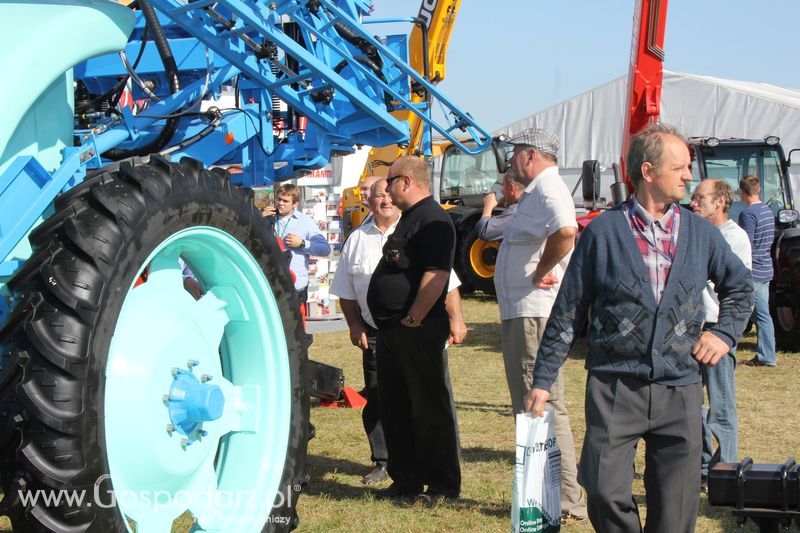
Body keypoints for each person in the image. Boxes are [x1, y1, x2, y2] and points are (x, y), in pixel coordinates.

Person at [525, 124, 753, 532]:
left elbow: (739, 288)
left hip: (680, 388)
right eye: (680, 167)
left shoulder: (701, 233)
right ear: (648, 171)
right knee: (605, 492)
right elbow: (569, 310)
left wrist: (724, 333)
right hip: (615, 386)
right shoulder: (602, 233)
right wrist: (543, 378)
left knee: (677, 504)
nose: (688, 176)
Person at [330, 178, 466, 487]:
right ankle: (388, 465)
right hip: (378, 335)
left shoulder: (417, 227)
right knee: (385, 403)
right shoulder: (357, 239)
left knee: (427, 402)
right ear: (370, 201)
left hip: (414, 331)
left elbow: (445, 281)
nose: (386, 200)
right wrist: (355, 324)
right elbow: (345, 290)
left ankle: (440, 471)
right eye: (379, 196)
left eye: (389, 194)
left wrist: (453, 318)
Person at [493, 128, 586, 522]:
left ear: (531, 155)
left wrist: (543, 270)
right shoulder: (538, 192)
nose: (510, 162)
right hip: (523, 311)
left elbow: (567, 232)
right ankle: (558, 496)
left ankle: (565, 500)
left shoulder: (549, 189)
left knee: (541, 404)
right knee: (538, 405)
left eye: (515, 154)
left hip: (533, 311)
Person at [366, 156, 461, 503]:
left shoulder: (433, 219)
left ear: (405, 181)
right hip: (393, 332)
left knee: (428, 408)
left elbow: (437, 276)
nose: (387, 191)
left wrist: (413, 318)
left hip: (416, 330)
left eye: (390, 182)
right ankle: (405, 481)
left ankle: (442, 487)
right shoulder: (410, 219)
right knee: (395, 408)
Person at [690, 179, 752, 481]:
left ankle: (726, 469)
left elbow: (738, 288)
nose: (693, 202)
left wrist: (724, 335)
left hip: (717, 330)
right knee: (693, 404)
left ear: (721, 201)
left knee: (721, 404)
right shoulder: (696, 234)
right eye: (693, 197)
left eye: (700, 197)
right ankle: (702, 466)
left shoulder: (735, 237)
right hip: (691, 328)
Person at [264, 184, 331, 302]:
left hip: (295, 286)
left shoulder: (306, 222)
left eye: (285, 201)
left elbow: (325, 249)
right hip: (270, 284)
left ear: (295, 204)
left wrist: (302, 243)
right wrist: (259, 218)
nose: (280, 203)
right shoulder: (268, 218)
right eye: (278, 199)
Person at [738, 175, 777, 367]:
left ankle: (766, 356)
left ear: (742, 192)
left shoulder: (748, 214)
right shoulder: (767, 211)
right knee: (761, 314)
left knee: (747, 312)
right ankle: (766, 354)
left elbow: (747, 244)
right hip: (766, 268)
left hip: (753, 270)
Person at [474, 171, 525, 241]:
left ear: (511, 188)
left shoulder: (514, 212)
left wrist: (488, 207)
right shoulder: (527, 203)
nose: (502, 190)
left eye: (503, 185)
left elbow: (484, 232)